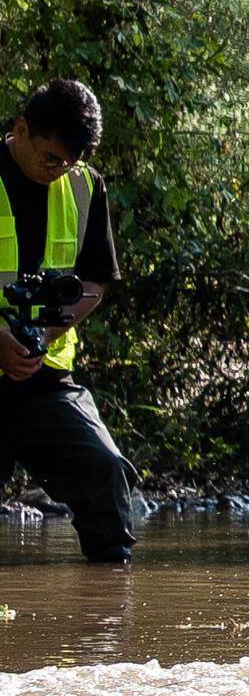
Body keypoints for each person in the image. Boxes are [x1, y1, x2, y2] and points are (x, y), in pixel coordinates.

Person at [2, 79, 139, 562]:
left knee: (106, 472)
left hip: (44, 378)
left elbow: (96, 282)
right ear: (22, 130)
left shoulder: (85, 185)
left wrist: (42, 335)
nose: (59, 171)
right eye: (51, 158)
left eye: (70, 162)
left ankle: (111, 600)